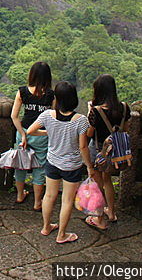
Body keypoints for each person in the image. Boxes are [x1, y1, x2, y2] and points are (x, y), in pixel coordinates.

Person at [27, 81, 93, 244]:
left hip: (52, 162)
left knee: (49, 195)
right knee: (67, 200)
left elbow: (30, 131)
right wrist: (90, 166)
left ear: (57, 98)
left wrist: (47, 132)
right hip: (71, 165)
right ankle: (62, 234)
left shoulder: (47, 115)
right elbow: (83, 146)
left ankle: (46, 226)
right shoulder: (80, 120)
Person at [85, 74, 131, 229]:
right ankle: (111, 212)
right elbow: (125, 129)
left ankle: (99, 219)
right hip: (116, 152)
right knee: (107, 180)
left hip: (99, 151)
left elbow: (90, 134)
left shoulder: (96, 111)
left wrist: (89, 113)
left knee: (97, 184)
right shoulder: (124, 107)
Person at [11, 61, 53, 210]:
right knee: (39, 169)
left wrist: (23, 134)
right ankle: (37, 202)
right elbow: (54, 117)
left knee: (20, 165)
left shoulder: (22, 91)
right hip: (42, 135)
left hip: (24, 132)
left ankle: (20, 195)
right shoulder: (50, 94)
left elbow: (14, 116)